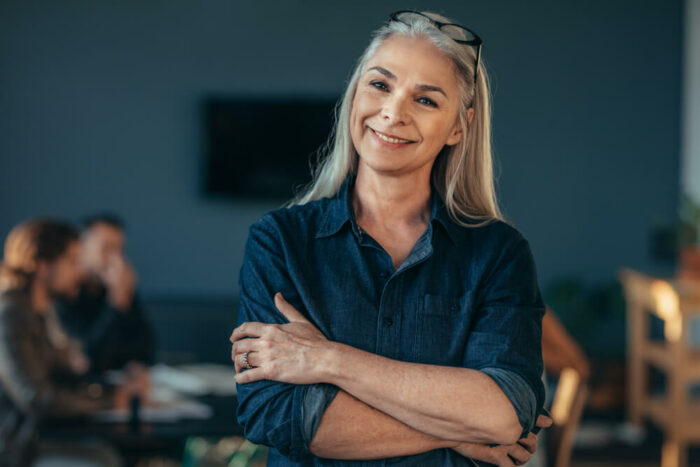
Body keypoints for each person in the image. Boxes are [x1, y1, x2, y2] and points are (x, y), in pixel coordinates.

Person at [230, 10, 552, 466]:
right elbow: (278, 415)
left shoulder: (499, 253)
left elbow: (503, 412)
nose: (392, 112)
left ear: (459, 126)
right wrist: (460, 434)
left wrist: (329, 361)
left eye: (426, 100)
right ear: (356, 92)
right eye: (380, 85)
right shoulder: (279, 242)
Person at [0, 219, 145, 466]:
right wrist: (111, 401)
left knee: (108, 455)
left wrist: (118, 389)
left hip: (40, 437)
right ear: (43, 265)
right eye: (72, 261)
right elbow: (39, 399)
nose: (79, 271)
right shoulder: (11, 314)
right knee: (103, 461)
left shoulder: (41, 312)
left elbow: (72, 371)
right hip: (18, 448)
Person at [55, 213, 155, 373]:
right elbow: (87, 358)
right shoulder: (65, 291)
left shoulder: (118, 287)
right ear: (80, 248)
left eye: (120, 249)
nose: (116, 258)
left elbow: (146, 350)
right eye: (107, 248)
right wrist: (116, 302)